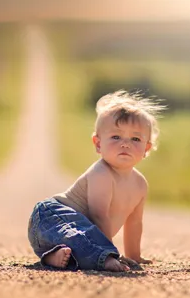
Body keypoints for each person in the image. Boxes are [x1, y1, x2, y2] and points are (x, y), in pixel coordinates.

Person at [27, 90, 166, 271]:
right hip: (51, 218)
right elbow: (99, 216)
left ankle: (54, 256)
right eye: (116, 137)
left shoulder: (139, 184)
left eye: (135, 138)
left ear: (146, 148)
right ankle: (101, 257)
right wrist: (110, 254)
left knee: (82, 244)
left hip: (75, 237)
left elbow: (134, 222)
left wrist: (134, 256)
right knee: (81, 235)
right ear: (98, 144)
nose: (125, 143)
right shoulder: (102, 174)